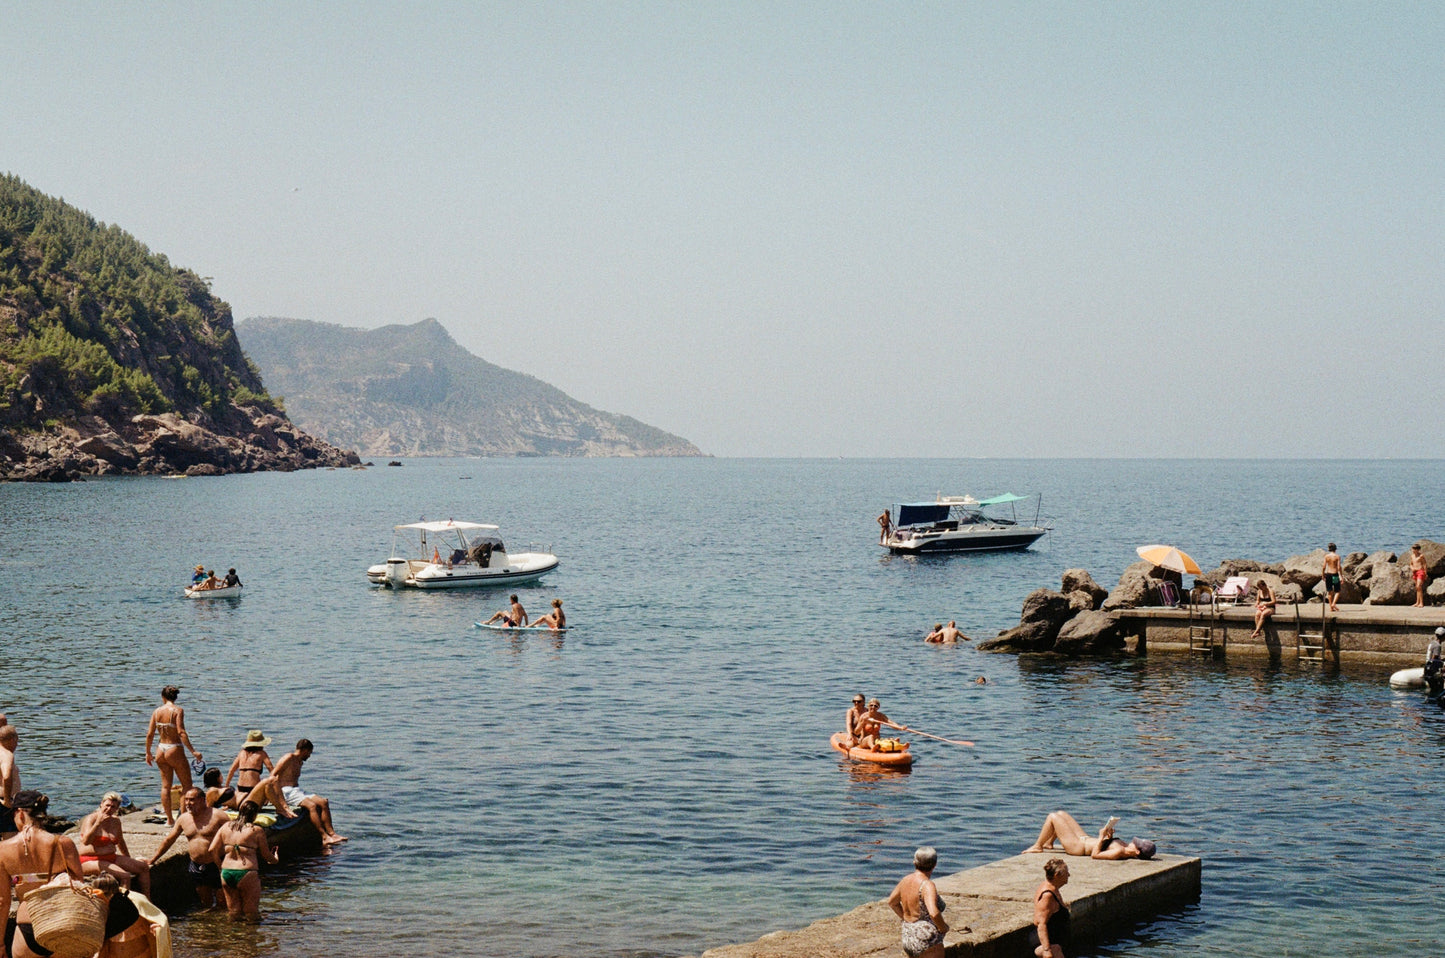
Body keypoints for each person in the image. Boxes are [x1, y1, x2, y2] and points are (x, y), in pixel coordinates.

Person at [0, 790, 85, 958]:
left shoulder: (2, 850)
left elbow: (3, 901)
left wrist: (1, 942)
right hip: (62, 922)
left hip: (28, 922)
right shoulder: (63, 843)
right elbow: (79, 884)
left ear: (20, 813)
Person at [148, 787, 230, 908]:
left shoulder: (218, 816)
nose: (187, 803)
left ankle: (221, 925)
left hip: (217, 863)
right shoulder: (183, 819)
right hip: (196, 865)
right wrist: (152, 860)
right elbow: (169, 840)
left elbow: (234, 836)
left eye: (191, 800)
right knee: (205, 901)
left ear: (202, 800)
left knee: (222, 902)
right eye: (186, 800)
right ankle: (207, 925)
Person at [208, 801, 278, 921]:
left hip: (226, 872)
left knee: (234, 912)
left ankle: (234, 937)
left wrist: (220, 867)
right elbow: (266, 856)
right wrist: (275, 859)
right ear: (255, 815)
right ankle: (250, 938)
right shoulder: (256, 830)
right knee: (251, 912)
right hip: (246, 872)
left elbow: (211, 850)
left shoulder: (225, 827)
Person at [145, 686, 202, 825]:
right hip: (174, 748)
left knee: (165, 786)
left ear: (163, 697)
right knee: (187, 785)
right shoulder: (178, 711)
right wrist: (193, 751)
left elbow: (150, 734)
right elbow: (181, 732)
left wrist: (148, 752)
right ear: (175, 697)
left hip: (160, 749)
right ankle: (182, 819)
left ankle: (169, 820)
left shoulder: (157, 711)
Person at [272, 739, 347, 845]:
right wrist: (274, 795)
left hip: (296, 790)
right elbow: (273, 775)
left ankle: (332, 834)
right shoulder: (288, 757)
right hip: (286, 791)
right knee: (311, 806)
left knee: (323, 802)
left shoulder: (300, 762)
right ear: (305, 750)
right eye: (309, 753)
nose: (309, 756)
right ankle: (324, 837)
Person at [77, 791, 151, 895]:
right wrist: (98, 823)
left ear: (117, 809)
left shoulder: (115, 821)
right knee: (125, 876)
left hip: (111, 857)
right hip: (90, 860)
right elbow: (86, 841)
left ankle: (147, 901)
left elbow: (120, 842)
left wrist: (128, 858)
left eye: (113, 807)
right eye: (107, 805)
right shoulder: (91, 819)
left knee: (143, 867)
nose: (109, 809)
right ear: (101, 804)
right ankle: (123, 905)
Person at [887, 846, 949, 958]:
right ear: (934, 865)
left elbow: (892, 902)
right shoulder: (927, 885)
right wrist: (943, 928)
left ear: (914, 862)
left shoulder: (905, 880)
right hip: (926, 939)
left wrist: (905, 918)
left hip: (908, 936)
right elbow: (934, 913)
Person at [92, 873, 168, 958]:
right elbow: (101, 944)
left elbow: (156, 928)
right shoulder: (96, 909)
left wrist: (158, 932)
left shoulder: (135, 905)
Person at [1024, 811, 1143, 860]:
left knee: (1052, 817)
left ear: (1137, 852)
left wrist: (1101, 837)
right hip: (1084, 839)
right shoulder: (1124, 847)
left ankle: (1038, 846)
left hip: (1078, 847)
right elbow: (1105, 847)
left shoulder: (1119, 852)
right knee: (1061, 813)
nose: (1133, 842)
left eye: (1136, 844)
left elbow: (1095, 855)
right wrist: (1109, 838)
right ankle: (1049, 843)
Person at [1028, 858, 1071, 958]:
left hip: (1055, 941)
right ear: (1057, 875)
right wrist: (1047, 950)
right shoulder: (1048, 895)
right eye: (1066, 873)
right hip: (1048, 943)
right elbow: (1041, 924)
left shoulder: (1052, 887)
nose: (1069, 875)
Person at [225, 730, 275, 802]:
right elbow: (271, 769)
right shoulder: (262, 754)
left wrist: (227, 786)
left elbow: (231, 770)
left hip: (240, 787)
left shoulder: (241, 753)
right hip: (253, 787)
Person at [0, 724, 19, 836]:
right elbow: (7, 776)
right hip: (4, 802)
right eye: (16, 741)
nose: (16, 745)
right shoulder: (7, 755)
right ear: (12, 739)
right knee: (10, 837)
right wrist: (7, 800)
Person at [1322, 544, 1342, 612]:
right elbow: (1339, 567)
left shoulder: (1326, 556)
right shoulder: (1337, 556)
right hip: (1335, 575)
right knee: (1337, 591)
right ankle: (1333, 604)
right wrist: (1341, 576)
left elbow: (1324, 567)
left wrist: (1322, 575)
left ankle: (1331, 607)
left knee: (1329, 591)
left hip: (1328, 575)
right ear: (1335, 549)